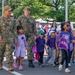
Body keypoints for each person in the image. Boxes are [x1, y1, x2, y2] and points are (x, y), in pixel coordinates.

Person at [0, 5, 15, 71]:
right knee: (0, 52)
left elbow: (15, 30)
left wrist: (16, 39)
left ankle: (10, 65)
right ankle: (0, 64)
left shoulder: (13, 20)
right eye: (9, 11)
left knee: (9, 52)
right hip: (1, 39)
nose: (10, 12)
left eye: (10, 11)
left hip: (10, 38)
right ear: (5, 11)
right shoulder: (0, 19)